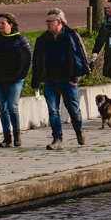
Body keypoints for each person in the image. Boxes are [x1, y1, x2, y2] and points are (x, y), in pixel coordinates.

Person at [30, 8, 90, 150]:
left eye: (50, 21)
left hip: (68, 80)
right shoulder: (43, 39)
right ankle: (57, 139)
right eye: (47, 21)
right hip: (51, 80)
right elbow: (37, 61)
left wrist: (76, 77)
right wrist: (35, 81)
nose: (47, 24)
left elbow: (81, 56)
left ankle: (79, 130)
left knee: (73, 110)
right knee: (53, 110)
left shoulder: (71, 36)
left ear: (59, 22)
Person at [0, 12, 31, 148]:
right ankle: (7, 137)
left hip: (15, 79)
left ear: (11, 24)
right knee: (2, 109)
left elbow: (27, 58)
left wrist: (21, 75)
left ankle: (17, 135)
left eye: (2, 23)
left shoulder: (20, 39)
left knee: (12, 106)